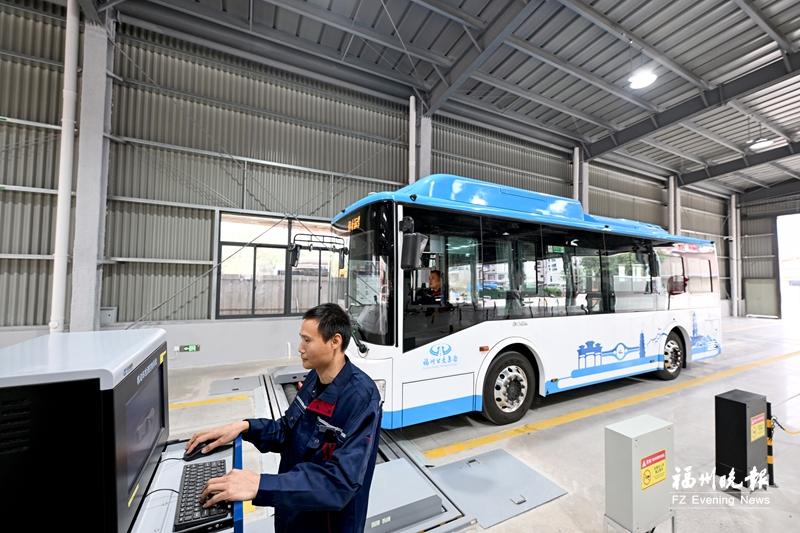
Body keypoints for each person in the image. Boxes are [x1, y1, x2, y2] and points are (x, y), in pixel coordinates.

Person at [186, 303, 382, 532]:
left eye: (307, 340)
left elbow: (340, 483)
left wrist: (259, 485)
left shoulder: (361, 399)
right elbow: (288, 431)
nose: (300, 348)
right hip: (293, 514)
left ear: (335, 342)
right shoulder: (314, 378)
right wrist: (244, 427)